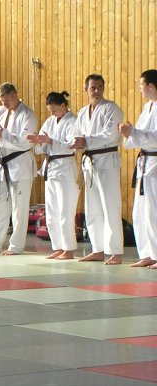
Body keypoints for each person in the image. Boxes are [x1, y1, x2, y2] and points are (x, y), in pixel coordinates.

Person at [0, 82, 37, 255]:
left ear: (15, 95)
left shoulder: (28, 114)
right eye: (2, 101)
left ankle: (16, 246)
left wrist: (3, 134)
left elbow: (25, 141)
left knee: (19, 208)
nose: (4, 104)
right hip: (1, 163)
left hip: (20, 164)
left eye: (7, 100)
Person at [71, 74, 125, 265]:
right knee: (92, 208)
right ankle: (98, 249)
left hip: (107, 160)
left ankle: (115, 251)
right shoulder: (83, 111)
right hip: (89, 162)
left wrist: (85, 141)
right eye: (93, 87)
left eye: (100, 87)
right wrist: (77, 142)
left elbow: (110, 135)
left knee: (110, 206)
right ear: (85, 89)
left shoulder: (111, 108)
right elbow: (76, 134)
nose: (97, 90)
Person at [28, 91, 79, 259]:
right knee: (51, 212)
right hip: (50, 168)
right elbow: (41, 145)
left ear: (64, 106)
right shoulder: (50, 121)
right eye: (50, 111)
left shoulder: (73, 121)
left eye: (55, 110)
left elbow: (72, 145)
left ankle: (68, 249)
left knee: (65, 211)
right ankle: (58, 246)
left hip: (65, 167)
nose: (53, 114)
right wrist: (38, 141)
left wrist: (49, 141)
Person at [120, 69, 157, 268]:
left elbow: (155, 137)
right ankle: (147, 253)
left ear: (151, 86)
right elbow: (138, 137)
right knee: (140, 212)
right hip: (144, 163)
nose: (140, 89)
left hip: (155, 163)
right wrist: (129, 134)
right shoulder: (147, 107)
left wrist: (133, 132)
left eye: (141, 85)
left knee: (154, 210)